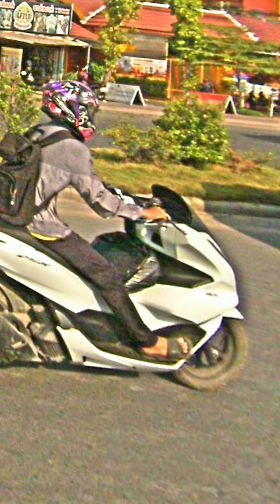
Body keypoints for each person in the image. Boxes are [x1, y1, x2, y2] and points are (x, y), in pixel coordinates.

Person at [27, 79, 184, 361]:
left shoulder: (39, 133)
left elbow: (88, 184)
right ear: (72, 108)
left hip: (22, 218)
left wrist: (128, 198)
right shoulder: (71, 148)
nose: (91, 115)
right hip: (43, 227)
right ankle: (146, 341)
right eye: (88, 109)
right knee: (107, 275)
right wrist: (140, 213)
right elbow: (99, 202)